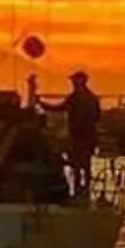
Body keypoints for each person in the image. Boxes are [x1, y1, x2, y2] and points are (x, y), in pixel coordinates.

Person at [50, 70, 102, 199]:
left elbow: (60, 108)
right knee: (81, 164)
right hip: (83, 136)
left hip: (83, 136)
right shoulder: (90, 98)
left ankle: (81, 189)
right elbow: (98, 117)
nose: (72, 83)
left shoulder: (81, 98)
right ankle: (81, 189)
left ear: (81, 81)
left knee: (81, 164)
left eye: (74, 80)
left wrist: (42, 105)